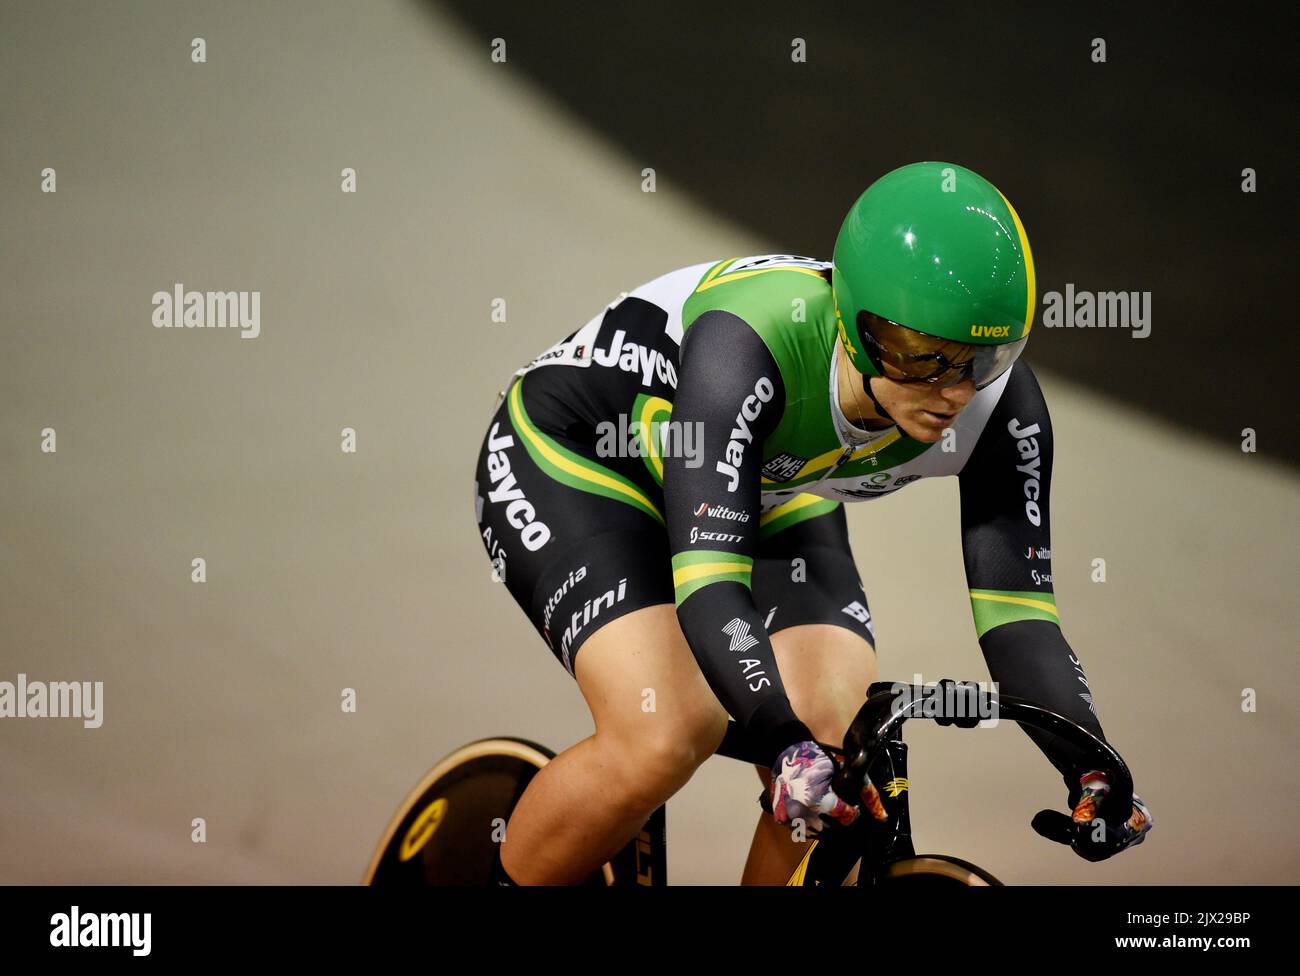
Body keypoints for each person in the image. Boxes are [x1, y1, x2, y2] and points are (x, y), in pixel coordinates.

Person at [473, 161, 1153, 885]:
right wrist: (779, 738)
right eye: (924, 357)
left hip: (764, 479)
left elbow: (1021, 618)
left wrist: (1092, 762)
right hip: (582, 459)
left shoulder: (998, 407)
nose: (954, 391)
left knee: (837, 747)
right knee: (668, 733)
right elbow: (711, 590)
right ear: (856, 325)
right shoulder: (750, 342)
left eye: (986, 360)